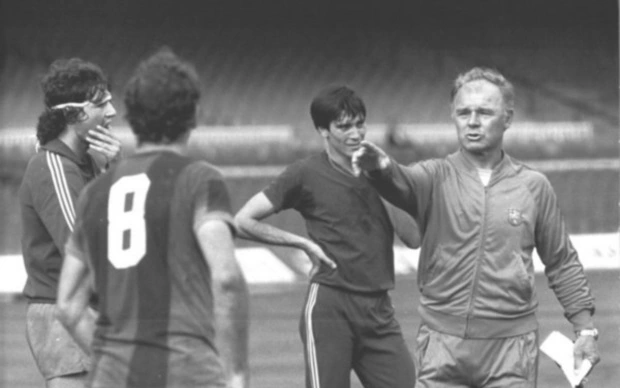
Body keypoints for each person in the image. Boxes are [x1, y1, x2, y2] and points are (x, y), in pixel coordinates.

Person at [352, 67, 601, 387]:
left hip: (512, 351)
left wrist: (585, 329)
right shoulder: (433, 176)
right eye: (463, 112)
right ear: (453, 116)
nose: (472, 121)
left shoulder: (534, 187)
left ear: (508, 118)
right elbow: (401, 183)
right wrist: (380, 169)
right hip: (442, 347)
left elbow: (562, 261)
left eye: (484, 112)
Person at [55, 48, 249, 388]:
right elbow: (227, 279)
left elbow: (69, 306)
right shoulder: (199, 179)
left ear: (133, 116)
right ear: (193, 116)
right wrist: (236, 374)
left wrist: (108, 358)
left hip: (113, 374)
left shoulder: (96, 192)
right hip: (187, 369)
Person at [235, 85, 419, 388]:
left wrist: (382, 179)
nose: (355, 133)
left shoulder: (385, 170)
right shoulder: (304, 174)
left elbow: (413, 238)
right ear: (323, 130)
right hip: (330, 308)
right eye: (344, 126)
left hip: (379, 310)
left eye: (359, 124)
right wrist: (301, 243)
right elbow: (243, 220)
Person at [19, 57, 121, 388]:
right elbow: (81, 248)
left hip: (91, 307)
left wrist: (111, 171)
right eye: (101, 103)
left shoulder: (92, 163)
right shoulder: (52, 168)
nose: (112, 112)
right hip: (63, 312)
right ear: (73, 114)